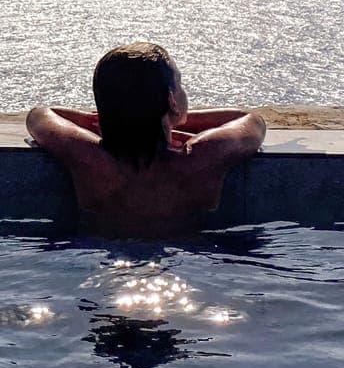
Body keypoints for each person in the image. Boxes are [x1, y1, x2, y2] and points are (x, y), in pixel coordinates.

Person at [26, 42, 266, 237]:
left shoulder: (90, 159)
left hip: (106, 262)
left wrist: (117, 116)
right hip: (186, 261)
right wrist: (169, 118)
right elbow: (252, 121)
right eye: (179, 83)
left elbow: (39, 116)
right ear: (172, 100)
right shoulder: (201, 158)